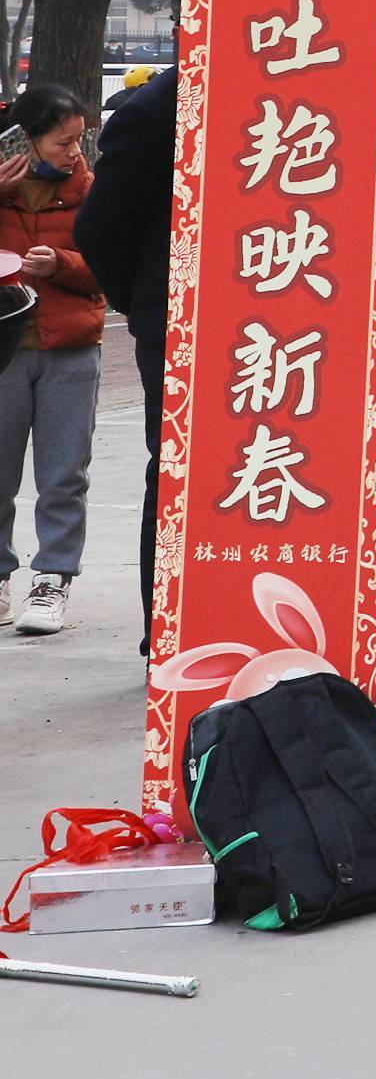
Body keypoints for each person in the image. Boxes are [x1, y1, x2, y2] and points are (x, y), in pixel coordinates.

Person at [64, 63, 174, 645]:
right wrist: (144, 303)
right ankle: (167, 628)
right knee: (179, 473)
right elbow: (99, 228)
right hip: (181, 330)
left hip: (276, 328)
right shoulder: (157, 109)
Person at [1, 86, 98, 638]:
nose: (73, 151)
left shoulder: (90, 191)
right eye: (63, 141)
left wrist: (60, 264)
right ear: (28, 139)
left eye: (78, 140)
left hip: (71, 348)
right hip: (6, 352)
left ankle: (54, 578)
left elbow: (108, 263)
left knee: (64, 475)